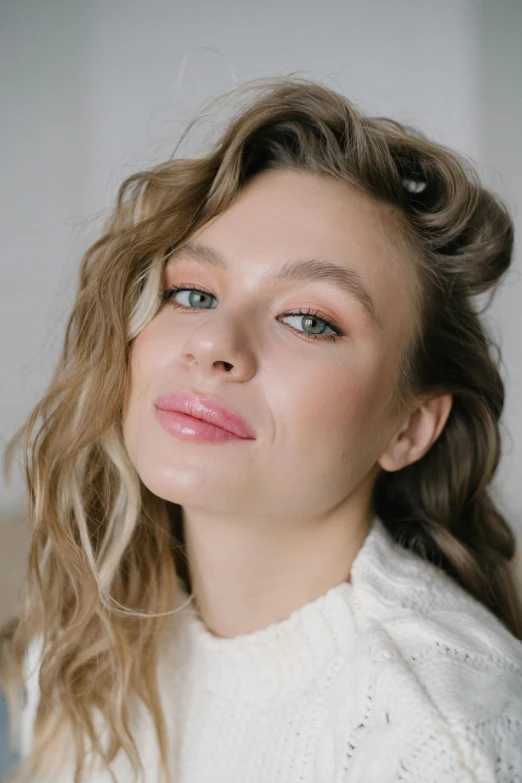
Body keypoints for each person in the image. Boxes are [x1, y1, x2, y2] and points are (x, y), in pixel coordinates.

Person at [1, 75, 522, 783]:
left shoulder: (437, 740)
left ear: (410, 426)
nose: (215, 341)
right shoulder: (81, 638)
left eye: (310, 319)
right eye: (192, 293)